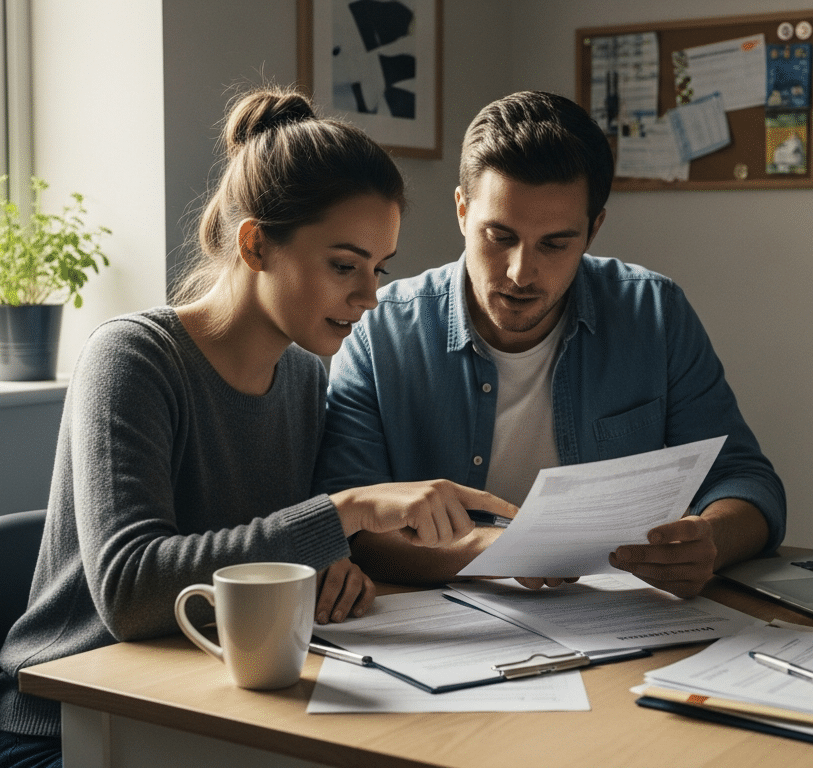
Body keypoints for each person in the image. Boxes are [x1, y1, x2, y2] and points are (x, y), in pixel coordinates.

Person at [0, 86, 515, 768]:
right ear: (257, 244)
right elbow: (131, 591)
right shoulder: (133, 359)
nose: (368, 296)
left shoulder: (302, 379)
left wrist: (332, 569)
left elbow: (259, 552)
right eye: (343, 265)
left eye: (378, 269)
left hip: (209, 703)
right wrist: (344, 512)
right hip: (73, 729)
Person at [314, 90, 785, 599]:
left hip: (616, 626)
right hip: (444, 632)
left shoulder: (655, 313)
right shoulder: (380, 331)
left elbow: (747, 483)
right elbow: (347, 523)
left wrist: (710, 539)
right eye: (499, 236)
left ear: (593, 230)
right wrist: (504, 550)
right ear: (461, 212)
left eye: (556, 244)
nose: (521, 272)